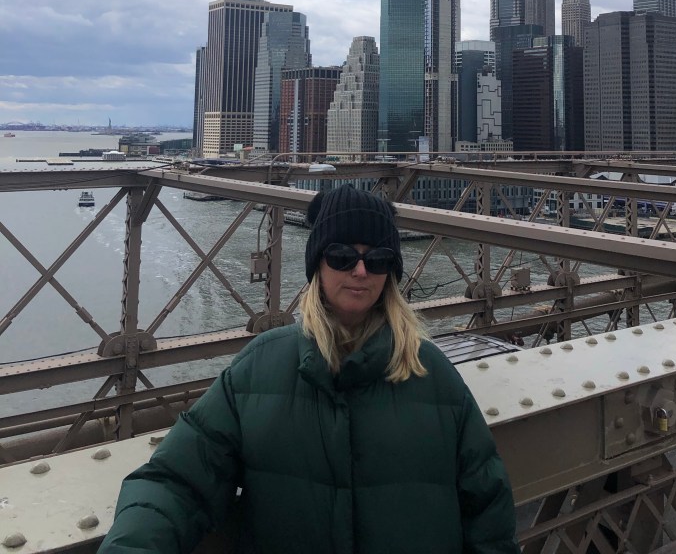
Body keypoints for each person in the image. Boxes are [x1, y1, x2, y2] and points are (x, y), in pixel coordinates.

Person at [98, 184, 520, 554]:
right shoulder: (258, 367)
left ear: (391, 272)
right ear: (317, 263)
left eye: (378, 259)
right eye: (341, 256)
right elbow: (177, 481)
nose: (360, 270)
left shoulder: (434, 374)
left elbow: (488, 513)